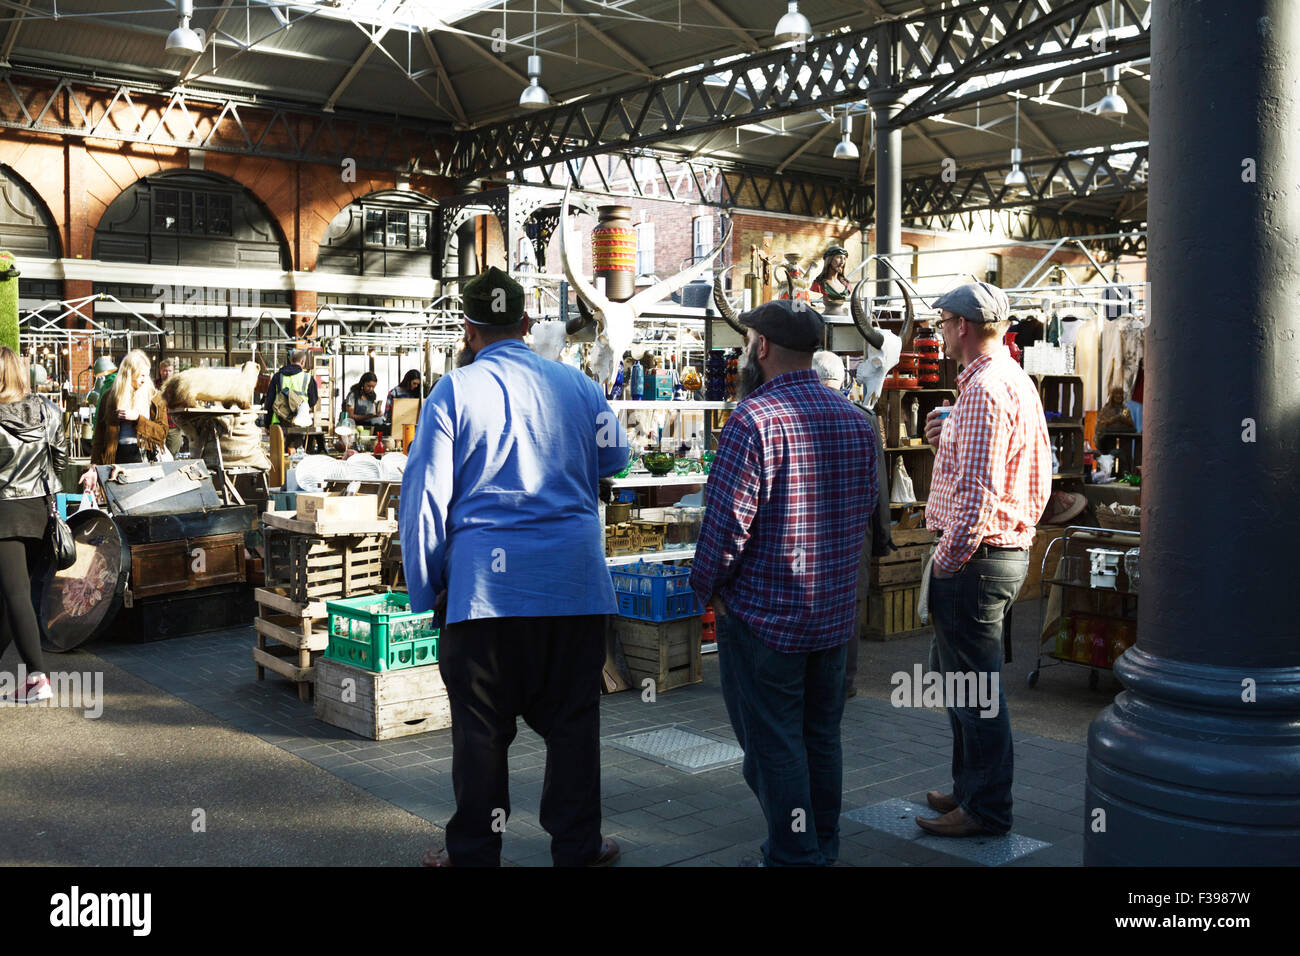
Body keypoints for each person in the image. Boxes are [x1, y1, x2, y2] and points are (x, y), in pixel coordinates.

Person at [400, 267, 628, 868]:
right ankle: (577, 847)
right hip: (574, 587)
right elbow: (617, 457)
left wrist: (428, 589)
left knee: (480, 733)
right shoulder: (578, 386)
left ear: (469, 329)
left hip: (484, 596)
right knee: (573, 727)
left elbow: (425, 497)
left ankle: (474, 851)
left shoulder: (453, 390)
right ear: (526, 325)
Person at [690, 301, 876, 867]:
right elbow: (867, 509)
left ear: (762, 347)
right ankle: (820, 845)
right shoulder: (855, 418)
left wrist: (706, 589)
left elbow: (725, 528)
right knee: (821, 736)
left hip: (766, 617)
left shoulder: (752, 419)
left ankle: (796, 854)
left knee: (774, 744)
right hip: (833, 616)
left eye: (749, 339)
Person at [916, 281, 1051, 839]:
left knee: (974, 691)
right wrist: (942, 439)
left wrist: (948, 559)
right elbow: (1026, 474)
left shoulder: (984, 392)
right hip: (995, 552)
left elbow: (979, 492)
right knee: (963, 686)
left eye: (943, 323)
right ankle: (972, 789)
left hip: (975, 558)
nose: (940, 333)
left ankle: (986, 808)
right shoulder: (1007, 381)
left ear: (962, 326)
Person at [812, 350, 894, 702]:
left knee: (811, 604)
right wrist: (882, 538)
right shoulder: (863, 418)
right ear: (843, 379)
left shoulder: (796, 414)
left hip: (808, 535)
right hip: (853, 534)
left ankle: (810, 677)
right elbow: (879, 485)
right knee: (849, 606)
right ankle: (843, 682)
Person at [0, 347, 69, 704]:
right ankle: (32, 679)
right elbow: (61, 459)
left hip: (4, 513)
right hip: (40, 511)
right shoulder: (47, 410)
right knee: (12, 598)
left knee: (15, 596)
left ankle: (38, 678)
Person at [80, 350, 168, 492]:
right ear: (128, 374)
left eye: (147, 374)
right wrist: (93, 467)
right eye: (141, 375)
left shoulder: (154, 398)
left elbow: (162, 433)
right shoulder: (110, 397)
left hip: (145, 458)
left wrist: (138, 419)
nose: (144, 379)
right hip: (116, 458)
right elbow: (100, 437)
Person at [263, 349, 319, 436]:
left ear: (291, 360)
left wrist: (267, 424)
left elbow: (269, 401)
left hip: (279, 422)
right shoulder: (308, 378)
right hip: (300, 423)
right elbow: (313, 401)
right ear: (302, 361)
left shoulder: (277, 376)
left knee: (279, 449)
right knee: (294, 448)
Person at [809, 244, 851, 316]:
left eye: (844, 258)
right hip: (827, 316)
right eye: (838, 257)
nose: (842, 262)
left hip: (842, 317)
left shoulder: (846, 284)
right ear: (829, 260)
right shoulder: (819, 284)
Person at [156, 358, 183, 458]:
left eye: (169, 371)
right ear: (160, 371)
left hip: (173, 425)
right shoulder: (154, 385)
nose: (167, 373)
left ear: (173, 371)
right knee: (158, 455)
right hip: (157, 425)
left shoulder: (178, 386)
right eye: (165, 371)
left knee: (172, 455)